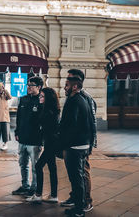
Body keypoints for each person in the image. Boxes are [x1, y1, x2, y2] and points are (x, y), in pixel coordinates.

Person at [60, 69, 97, 213]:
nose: (65, 85)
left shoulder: (84, 98)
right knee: (77, 174)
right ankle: (76, 198)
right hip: (80, 142)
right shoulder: (74, 97)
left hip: (79, 143)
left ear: (77, 82)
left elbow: (90, 121)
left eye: (69, 80)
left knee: (81, 173)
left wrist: (90, 144)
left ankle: (85, 201)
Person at [26, 87, 60, 204]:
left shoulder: (48, 112)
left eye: (42, 96)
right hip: (51, 143)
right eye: (40, 96)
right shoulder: (51, 110)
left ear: (48, 98)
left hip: (51, 144)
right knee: (52, 168)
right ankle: (54, 195)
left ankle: (38, 194)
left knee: (39, 166)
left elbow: (45, 129)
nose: (39, 98)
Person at [12, 76, 43, 197]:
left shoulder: (41, 101)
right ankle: (25, 185)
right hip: (22, 138)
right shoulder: (23, 99)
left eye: (32, 85)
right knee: (22, 164)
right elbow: (19, 118)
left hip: (34, 140)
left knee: (35, 166)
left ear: (39, 87)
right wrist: (17, 132)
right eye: (28, 85)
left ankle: (34, 188)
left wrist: (41, 139)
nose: (29, 87)